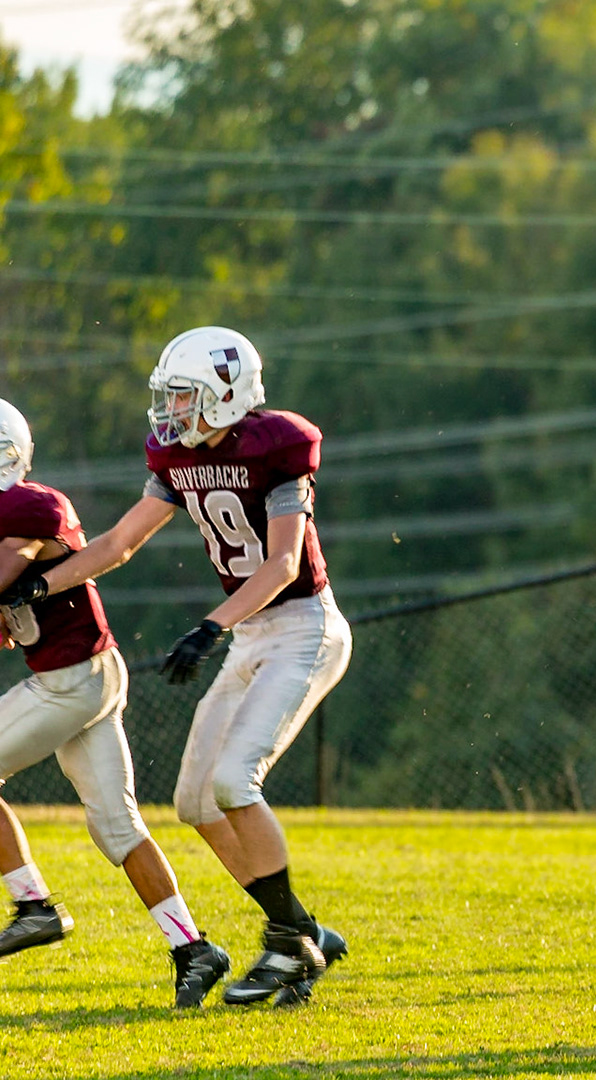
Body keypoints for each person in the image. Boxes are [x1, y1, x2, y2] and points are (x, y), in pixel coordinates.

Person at [1, 327, 352, 1007]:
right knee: (193, 801)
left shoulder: (274, 446)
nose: (171, 411)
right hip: (250, 633)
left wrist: (208, 628)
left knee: (231, 781)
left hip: (303, 626)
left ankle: (289, 942)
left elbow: (283, 564)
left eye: (184, 396)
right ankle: (293, 931)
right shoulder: (176, 457)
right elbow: (119, 542)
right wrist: (44, 586)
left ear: (225, 395)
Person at [0, 399, 230, 1007]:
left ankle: (32, 905)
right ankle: (192, 948)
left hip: (71, 681)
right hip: (87, 673)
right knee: (116, 825)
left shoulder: (25, 504)